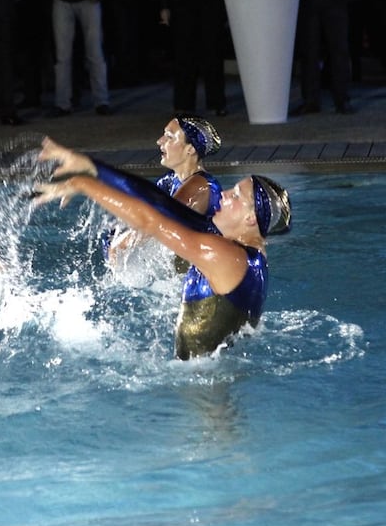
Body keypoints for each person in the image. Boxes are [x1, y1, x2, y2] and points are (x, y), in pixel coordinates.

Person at [33, 138, 290, 360]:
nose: (222, 195)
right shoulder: (249, 252)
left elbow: (150, 221)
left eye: (235, 196)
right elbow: (163, 205)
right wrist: (91, 167)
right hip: (214, 372)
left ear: (250, 219)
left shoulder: (221, 254)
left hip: (202, 384)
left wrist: (84, 184)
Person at [106, 115, 224, 266]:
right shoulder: (170, 180)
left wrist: (119, 245)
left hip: (206, 277)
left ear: (190, 149)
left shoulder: (200, 186)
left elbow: (160, 221)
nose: (159, 141)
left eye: (169, 137)